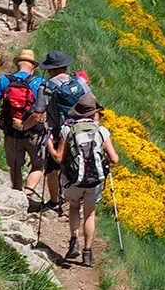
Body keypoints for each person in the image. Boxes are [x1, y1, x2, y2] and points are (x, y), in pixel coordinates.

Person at [47, 94, 119, 267]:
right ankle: (87, 253)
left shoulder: (67, 129)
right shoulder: (101, 130)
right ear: (94, 113)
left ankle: (74, 241)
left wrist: (49, 143)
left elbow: (58, 157)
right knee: (90, 213)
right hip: (94, 180)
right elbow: (115, 159)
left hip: (73, 179)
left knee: (73, 207)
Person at [22, 50, 91, 213]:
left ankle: (54, 201)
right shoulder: (80, 82)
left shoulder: (46, 87)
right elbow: (92, 104)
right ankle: (78, 201)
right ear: (65, 67)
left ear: (51, 69)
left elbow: (37, 114)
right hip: (82, 132)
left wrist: (23, 127)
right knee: (80, 162)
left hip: (58, 133)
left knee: (52, 169)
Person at [0, 49, 45, 203]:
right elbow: (42, 110)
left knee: (15, 165)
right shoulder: (39, 83)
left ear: (17, 64)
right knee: (38, 166)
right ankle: (27, 195)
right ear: (33, 67)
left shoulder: (5, 80)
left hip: (11, 131)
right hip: (33, 132)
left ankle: (16, 197)